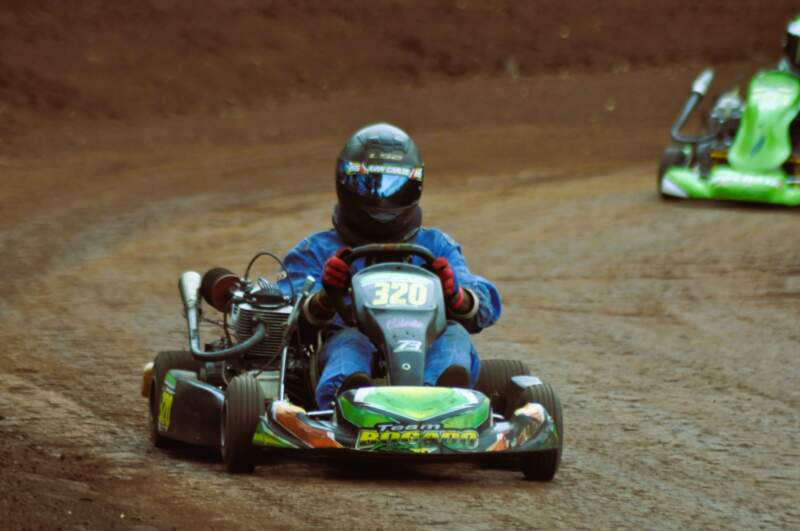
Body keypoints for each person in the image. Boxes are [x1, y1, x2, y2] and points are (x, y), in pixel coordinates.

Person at [278, 123, 501, 408]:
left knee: (454, 336)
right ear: (345, 183)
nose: (382, 199)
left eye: (395, 186)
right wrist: (324, 297)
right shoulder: (316, 251)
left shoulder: (436, 246)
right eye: (369, 184)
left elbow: (485, 305)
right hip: (344, 349)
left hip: (425, 352)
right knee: (350, 342)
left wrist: (457, 296)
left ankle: (442, 401)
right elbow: (284, 322)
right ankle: (349, 404)